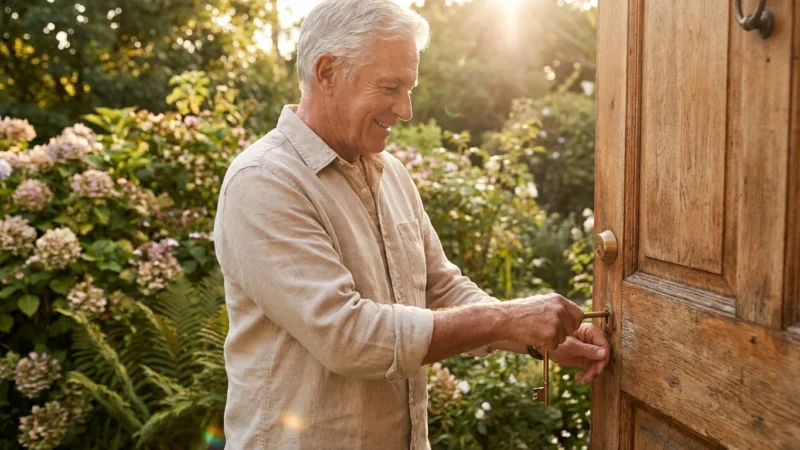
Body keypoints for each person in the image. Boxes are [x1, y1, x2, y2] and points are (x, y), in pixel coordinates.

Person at [212, 0, 610, 448]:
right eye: (391, 87)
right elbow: (348, 336)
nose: (406, 110)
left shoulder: (390, 173)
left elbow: (441, 288)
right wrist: (508, 318)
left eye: (410, 88)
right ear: (326, 73)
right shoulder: (264, 181)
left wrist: (541, 337)